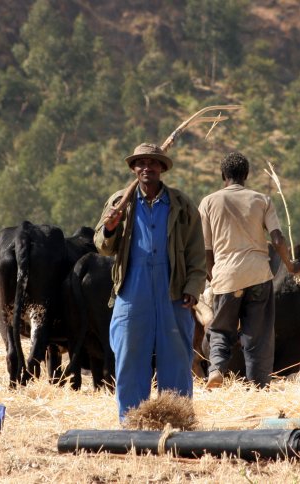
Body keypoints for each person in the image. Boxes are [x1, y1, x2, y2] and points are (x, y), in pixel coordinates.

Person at [94, 142, 206, 421]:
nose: (147, 167)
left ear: (162, 168)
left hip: (173, 295)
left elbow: (196, 254)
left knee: (177, 362)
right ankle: (132, 424)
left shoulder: (181, 205)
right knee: (130, 361)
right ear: (134, 169)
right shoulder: (120, 202)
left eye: (153, 163)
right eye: (141, 163)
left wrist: (193, 289)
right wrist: (109, 228)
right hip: (133, 293)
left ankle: (176, 423)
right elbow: (102, 246)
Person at [198, 151, 300, 389]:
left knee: (221, 329)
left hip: (225, 276)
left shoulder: (209, 202)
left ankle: (216, 370)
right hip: (258, 275)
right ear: (246, 175)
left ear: (223, 175)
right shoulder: (262, 199)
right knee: (258, 337)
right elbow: (277, 239)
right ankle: (258, 386)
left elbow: (206, 249)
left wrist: (214, 278)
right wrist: (290, 265)